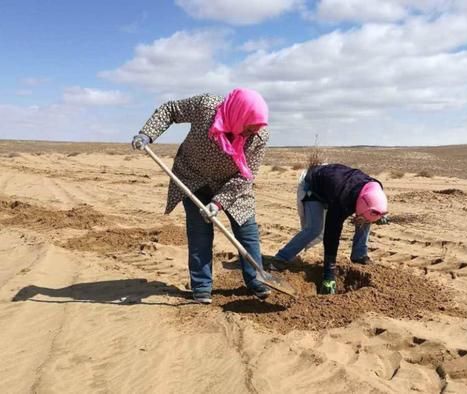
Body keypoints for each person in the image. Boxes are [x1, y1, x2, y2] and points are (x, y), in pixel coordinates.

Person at [131, 88, 271, 304]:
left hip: (232, 184)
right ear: (239, 114)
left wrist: (218, 203)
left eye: (256, 128)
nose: (251, 133)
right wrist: (147, 134)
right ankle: (202, 288)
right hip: (193, 178)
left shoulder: (259, 135)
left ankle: (257, 280)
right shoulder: (206, 107)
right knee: (199, 234)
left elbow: (246, 177)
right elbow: (171, 110)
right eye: (249, 127)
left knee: (247, 231)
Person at [269, 164, 388, 294]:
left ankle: (359, 255)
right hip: (314, 185)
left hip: (337, 183)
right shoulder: (341, 201)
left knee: (365, 219)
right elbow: (331, 238)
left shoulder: (374, 188)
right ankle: (281, 258)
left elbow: (373, 205)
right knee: (314, 229)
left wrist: (378, 215)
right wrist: (329, 275)